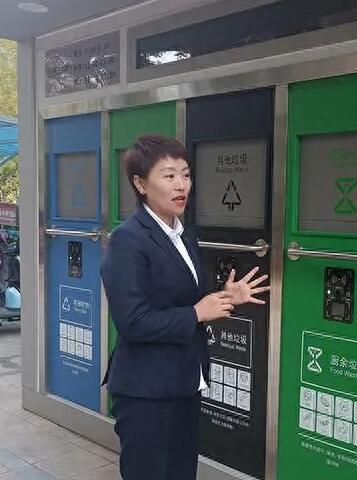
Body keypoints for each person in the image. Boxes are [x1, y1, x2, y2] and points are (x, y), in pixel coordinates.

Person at [100, 134, 269, 480]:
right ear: (140, 184)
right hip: (146, 392)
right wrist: (196, 313)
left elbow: (184, 299)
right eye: (169, 175)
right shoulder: (127, 241)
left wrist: (226, 296)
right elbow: (133, 321)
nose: (181, 185)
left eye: (186, 174)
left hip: (184, 382)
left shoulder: (183, 234)